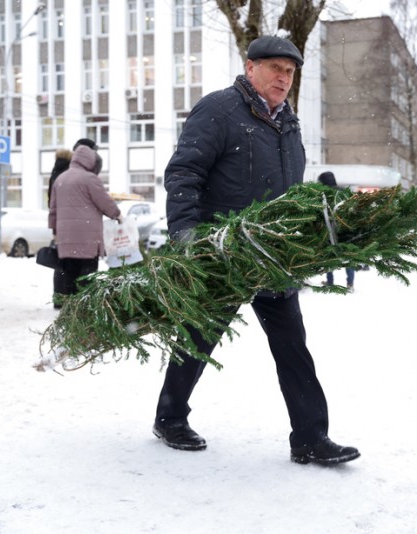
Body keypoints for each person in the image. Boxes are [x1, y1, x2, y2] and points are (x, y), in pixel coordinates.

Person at [153, 35, 360, 466]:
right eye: (275, 69)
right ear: (250, 68)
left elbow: (288, 190)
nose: (283, 78)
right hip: (222, 253)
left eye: (290, 72)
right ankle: (170, 417)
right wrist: (187, 235)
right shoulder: (219, 110)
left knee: (292, 346)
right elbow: (184, 173)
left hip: (271, 255)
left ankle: (310, 437)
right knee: (198, 337)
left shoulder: (289, 124)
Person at [48, 145, 122, 301]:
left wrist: (54, 230)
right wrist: (117, 215)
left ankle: (65, 303)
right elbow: (104, 202)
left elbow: (53, 209)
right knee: (87, 274)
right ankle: (84, 304)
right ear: (90, 161)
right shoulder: (90, 179)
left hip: (65, 238)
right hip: (87, 239)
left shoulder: (60, 179)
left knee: (68, 272)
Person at [48, 138, 100, 308]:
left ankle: (61, 301)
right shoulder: (76, 173)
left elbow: (52, 202)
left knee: (64, 266)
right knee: (81, 267)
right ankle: (80, 303)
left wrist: (55, 227)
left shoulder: (59, 173)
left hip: (63, 225)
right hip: (80, 228)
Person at [317, 171, 356, 291]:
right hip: (345, 229)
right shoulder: (343, 192)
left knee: (329, 256)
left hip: (330, 229)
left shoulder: (324, 195)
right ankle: (350, 284)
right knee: (348, 256)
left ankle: (330, 281)